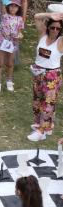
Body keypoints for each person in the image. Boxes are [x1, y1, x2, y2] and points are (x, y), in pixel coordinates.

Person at [28, 12, 63, 142]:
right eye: (52, 27)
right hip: (38, 73)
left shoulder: (60, 41)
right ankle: (43, 126)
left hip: (51, 76)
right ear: (48, 27)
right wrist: (51, 15)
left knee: (48, 104)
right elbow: (37, 16)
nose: (55, 30)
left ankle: (41, 131)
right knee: (37, 100)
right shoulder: (43, 35)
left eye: (58, 28)